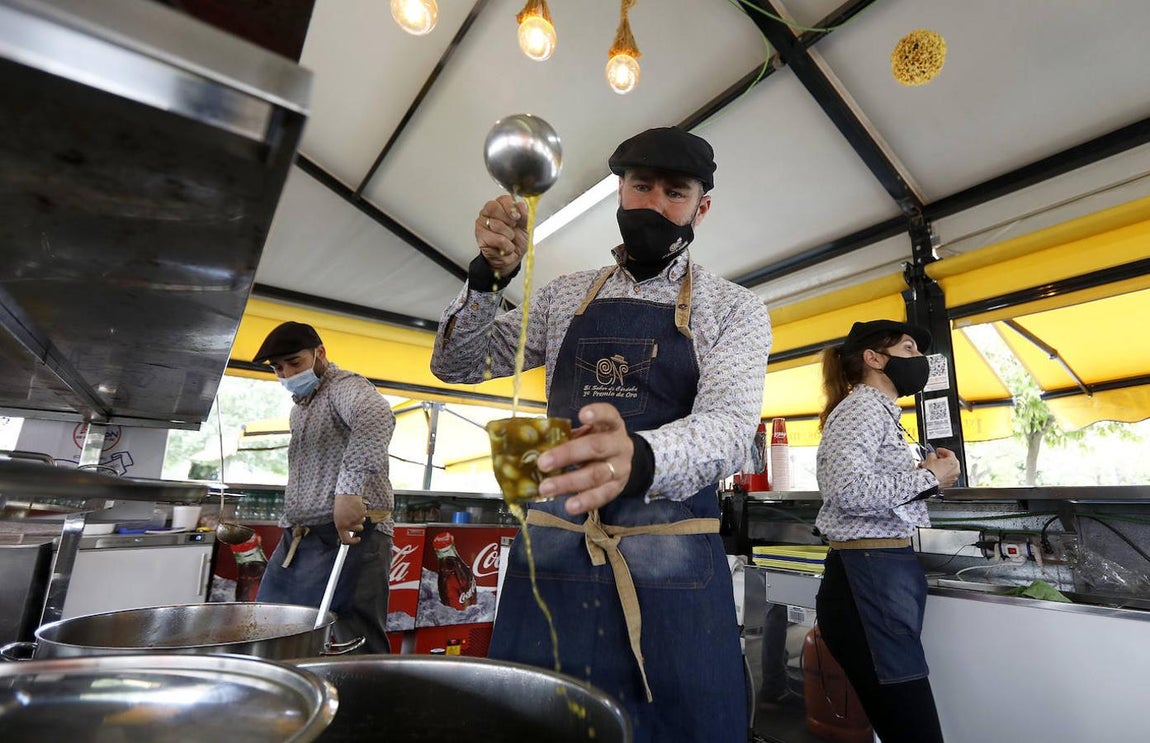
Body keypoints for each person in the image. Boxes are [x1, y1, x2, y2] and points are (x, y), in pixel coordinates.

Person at [431, 127, 771, 743]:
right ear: (619, 191)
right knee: (541, 725)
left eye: (675, 192)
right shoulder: (563, 296)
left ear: (702, 207)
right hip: (555, 552)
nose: (654, 204)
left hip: (672, 565)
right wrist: (487, 278)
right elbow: (459, 365)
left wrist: (637, 455)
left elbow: (727, 428)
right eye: (641, 187)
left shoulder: (735, 308)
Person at [813, 319, 961, 743]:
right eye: (910, 349)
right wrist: (929, 478)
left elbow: (867, 486)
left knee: (905, 725)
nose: (919, 360)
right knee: (914, 730)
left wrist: (927, 474)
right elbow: (848, 491)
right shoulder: (861, 408)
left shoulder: (881, 414)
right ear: (874, 358)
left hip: (879, 570)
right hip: (867, 574)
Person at [252, 321, 396, 654]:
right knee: (271, 627)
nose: (287, 373)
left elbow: (376, 415)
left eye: (294, 363)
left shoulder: (344, 387)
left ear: (320, 353)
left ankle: (362, 704)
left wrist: (349, 490)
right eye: (278, 368)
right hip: (299, 538)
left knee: (351, 639)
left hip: (352, 535)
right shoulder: (299, 409)